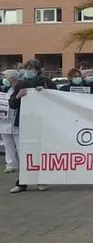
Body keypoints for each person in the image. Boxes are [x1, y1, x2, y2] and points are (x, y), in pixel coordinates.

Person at [9, 59, 57, 193]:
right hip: (24, 122)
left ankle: (41, 180)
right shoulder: (20, 84)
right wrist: (18, 96)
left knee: (41, 152)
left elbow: (58, 97)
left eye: (31, 69)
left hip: (42, 121)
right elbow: (12, 104)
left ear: (37, 70)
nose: (28, 71)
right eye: (27, 68)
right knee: (24, 153)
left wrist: (46, 92)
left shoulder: (46, 82)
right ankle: (22, 183)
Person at [0, 69, 21, 174]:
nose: (4, 80)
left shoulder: (19, 89)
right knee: (8, 143)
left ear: (12, 79)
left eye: (6, 78)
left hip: (15, 119)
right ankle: (11, 164)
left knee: (19, 144)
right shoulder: (6, 89)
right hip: (4, 120)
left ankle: (24, 164)